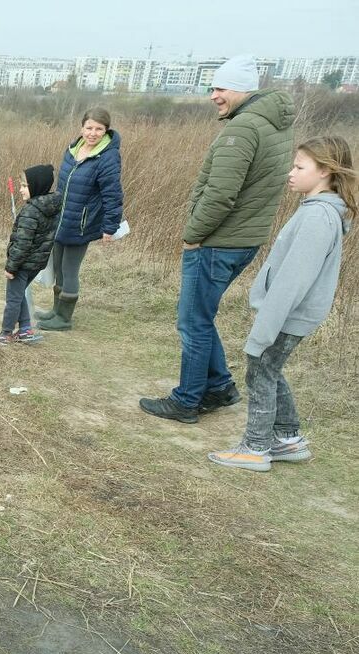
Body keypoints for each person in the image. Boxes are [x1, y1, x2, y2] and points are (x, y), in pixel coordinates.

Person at [140, 55, 295, 423]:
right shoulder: (273, 125)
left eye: (220, 88)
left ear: (242, 89)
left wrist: (192, 236)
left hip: (217, 241)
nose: (214, 95)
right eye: (212, 87)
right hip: (244, 239)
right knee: (202, 317)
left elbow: (221, 194)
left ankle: (187, 400)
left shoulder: (242, 129)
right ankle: (221, 386)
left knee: (192, 322)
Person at [208, 136, 354, 471]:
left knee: (259, 368)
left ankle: (255, 448)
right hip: (292, 314)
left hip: (289, 314)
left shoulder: (319, 217)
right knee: (269, 368)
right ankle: (287, 438)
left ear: (325, 172)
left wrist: (266, 324)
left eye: (299, 167)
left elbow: (294, 280)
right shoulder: (317, 211)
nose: (291, 172)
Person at [36, 107, 124, 331]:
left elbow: (112, 194)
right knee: (57, 268)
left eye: (99, 129)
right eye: (89, 128)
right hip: (61, 219)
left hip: (82, 224)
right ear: (81, 128)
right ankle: (55, 311)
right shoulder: (73, 150)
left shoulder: (108, 157)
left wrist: (110, 226)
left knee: (69, 269)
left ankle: (64, 319)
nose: (93, 133)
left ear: (106, 131)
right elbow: (62, 187)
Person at [0, 164, 62, 345]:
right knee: (20, 294)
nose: (20, 189)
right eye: (20, 185)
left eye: (24, 186)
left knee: (13, 299)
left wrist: (11, 266)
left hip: (22, 263)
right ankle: (25, 330)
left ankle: (5, 333)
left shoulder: (30, 211)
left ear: (36, 186)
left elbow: (22, 244)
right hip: (36, 263)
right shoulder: (51, 207)